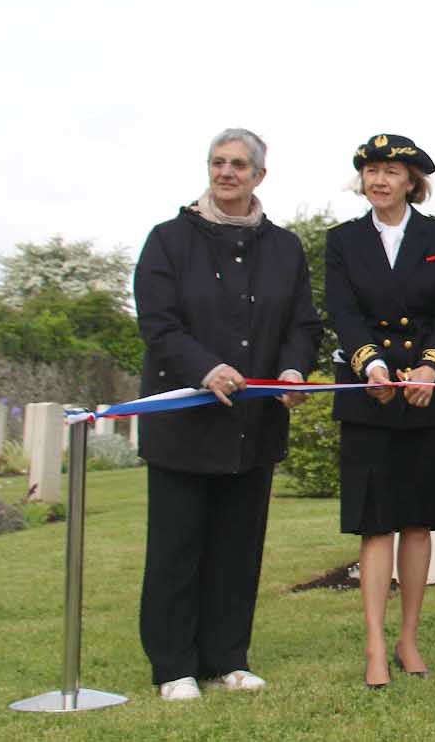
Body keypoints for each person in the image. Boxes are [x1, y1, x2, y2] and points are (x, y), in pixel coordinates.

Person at [132, 127, 320, 701]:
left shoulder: (284, 248)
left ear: (259, 175)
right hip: (183, 428)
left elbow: (302, 325)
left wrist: (292, 371)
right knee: (177, 549)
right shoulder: (167, 241)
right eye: (218, 163)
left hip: (251, 429)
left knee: (238, 549)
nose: (226, 172)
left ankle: (226, 658)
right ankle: (173, 666)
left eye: (239, 164)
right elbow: (158, 323)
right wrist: (205, 369)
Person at [325, 133, 435, 688]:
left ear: (413, 181)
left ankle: (409, 638)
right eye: (371, 170)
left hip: (428, 394)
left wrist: (432, 368)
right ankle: (374, 645)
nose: (379, 179)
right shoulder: (342, 241)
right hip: (371, 394)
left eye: (391, 170)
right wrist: (372, 368)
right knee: (375, 523)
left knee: (418, 520)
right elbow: (344, 311)